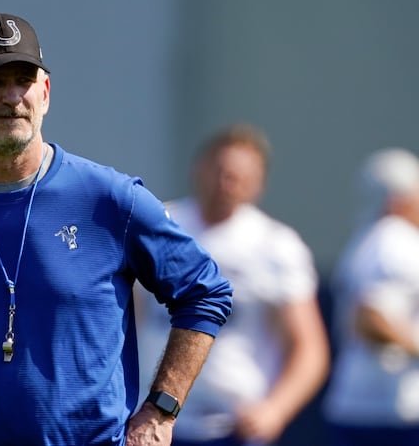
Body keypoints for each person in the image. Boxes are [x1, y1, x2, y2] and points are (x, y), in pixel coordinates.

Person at [0, 12, 233, 446]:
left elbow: (204, 292)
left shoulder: (111, 200)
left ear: (45, 92)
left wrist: (162, 410)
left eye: (23, 80)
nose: (12, 97)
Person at [136, 123, 330, 445]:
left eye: (240, 176)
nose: (227, 183)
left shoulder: (276, 245)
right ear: (198, 169)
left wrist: (275, 409)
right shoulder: (160, 224)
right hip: (154, 418)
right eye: (221, 171)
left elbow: (310, 348)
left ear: (259, 183)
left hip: (235, 425)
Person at [322, 148, 419, 446]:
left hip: (364, 403)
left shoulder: (369, 241)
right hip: (389, 408)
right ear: (398, 199)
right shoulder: (393, 240)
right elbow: (370, 317)